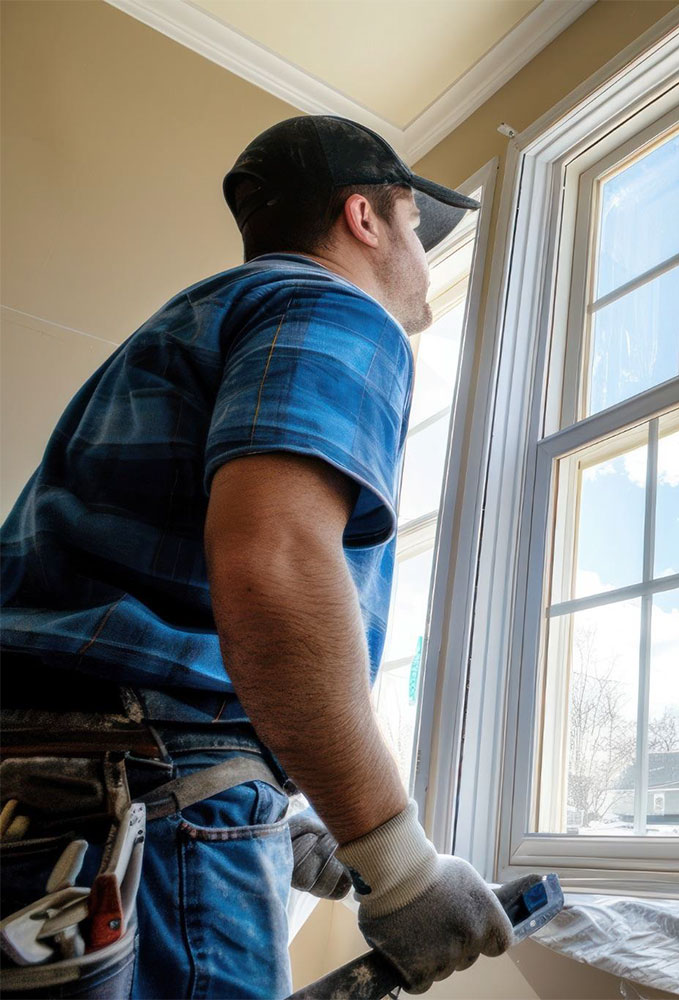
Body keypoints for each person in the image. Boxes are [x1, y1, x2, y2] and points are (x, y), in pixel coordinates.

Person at [1, 115, 510, 997]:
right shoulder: (334, 308)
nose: (424, 260)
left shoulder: (180, 330)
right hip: (149, 791)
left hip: (45, 786)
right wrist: (398, 862)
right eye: (414, 229)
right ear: (363, 217)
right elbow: (270, 565)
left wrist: (285, 812)